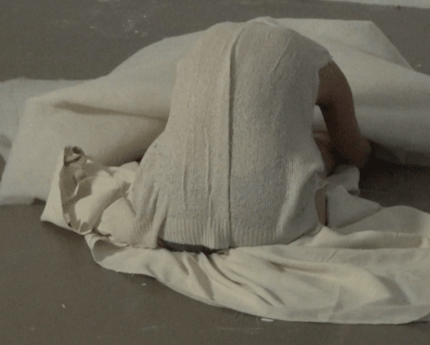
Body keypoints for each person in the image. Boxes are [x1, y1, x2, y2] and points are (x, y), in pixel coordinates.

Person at [126, 19, 371, 253]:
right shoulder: (316, 59)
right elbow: (352, 152)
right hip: (279, 227)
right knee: (317, 151)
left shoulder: (201, 46)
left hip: (163, 222)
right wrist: (358, 148)